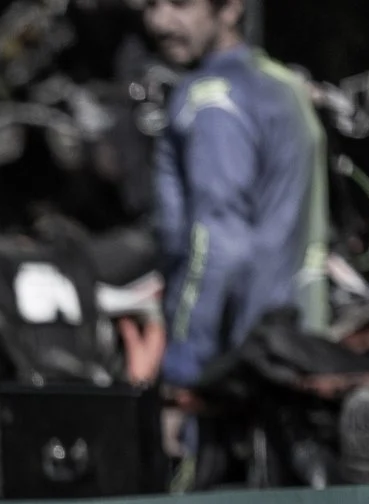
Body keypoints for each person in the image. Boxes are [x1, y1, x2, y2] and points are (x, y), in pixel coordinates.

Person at [143, 0, 327, 399]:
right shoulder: (285, 85)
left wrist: (183, 367)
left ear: (230, 9)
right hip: (300, 346)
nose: (159, 21)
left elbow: (218, 247)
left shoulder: (210, 98)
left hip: (235, 368)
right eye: (150, 5)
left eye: (179, 4)